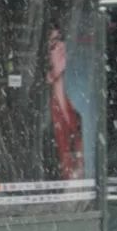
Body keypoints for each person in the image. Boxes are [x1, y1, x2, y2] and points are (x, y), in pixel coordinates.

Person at [42, 25, 85, 180]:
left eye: (60, 39)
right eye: (53, 45)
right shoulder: (42, 115)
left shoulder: (75, 111)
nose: (61, 46)